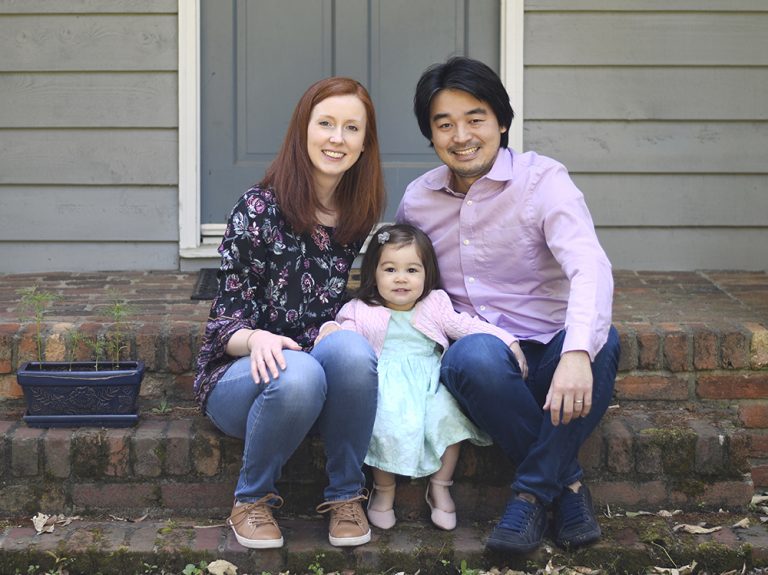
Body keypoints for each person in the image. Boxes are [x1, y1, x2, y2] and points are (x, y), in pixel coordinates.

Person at [396, 56, 621, 553]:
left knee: (603, 343)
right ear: (429, 135)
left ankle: (530, 496)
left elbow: (590, 267)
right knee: (470, 354)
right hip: (485, 362)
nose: (461, 135)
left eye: (475, 118)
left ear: (501, 120)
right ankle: (567, 490)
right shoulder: (417, 200)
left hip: (549, 351)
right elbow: (402, 281)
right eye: (444, 123)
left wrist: (577, 353)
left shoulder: (544, 181)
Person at [193, 77, 386, 550]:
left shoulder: (356, 214)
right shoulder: (257, 209)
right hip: (242, 376)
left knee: (351, 350)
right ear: (303, 130)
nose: (336, 138)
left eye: (351, 128)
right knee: (297, 372)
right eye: (325, 124)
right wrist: (256, 338)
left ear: (364, 145)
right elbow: (223, 325)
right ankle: (251, 500)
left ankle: (345, 495)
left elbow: (329, 310)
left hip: (311, 371)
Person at [318, 223, 527, 532]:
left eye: (412, 270)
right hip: (385, 384)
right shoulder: (360, 309)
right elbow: (344, 336)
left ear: (427, 273)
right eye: (390, 269)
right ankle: (384, 490)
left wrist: (507, 340)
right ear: (373, 273)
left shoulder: (435, 304)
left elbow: (466, 326)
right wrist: (329, 330)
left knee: (448, 418)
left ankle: (440, 485)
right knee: (381, 422)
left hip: (429, 383)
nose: (401, 278)